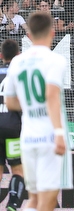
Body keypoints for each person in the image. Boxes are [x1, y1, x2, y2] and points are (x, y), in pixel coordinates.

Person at [3, 12, 71, 211]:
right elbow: (51, 96)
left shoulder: (17, 62)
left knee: (33, 200)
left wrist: (31, 106)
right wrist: (59, 133)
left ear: (29, 35)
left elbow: (10, 102)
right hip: (49, 137)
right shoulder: (55, 60)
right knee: (47, 202)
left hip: (27, 138)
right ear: (52, 33)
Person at [0, 39, 25, 211]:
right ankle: (13, 204)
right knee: (18, 170)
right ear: (19, 55)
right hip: (13, 128)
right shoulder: (21, 75)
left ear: (1, 56)